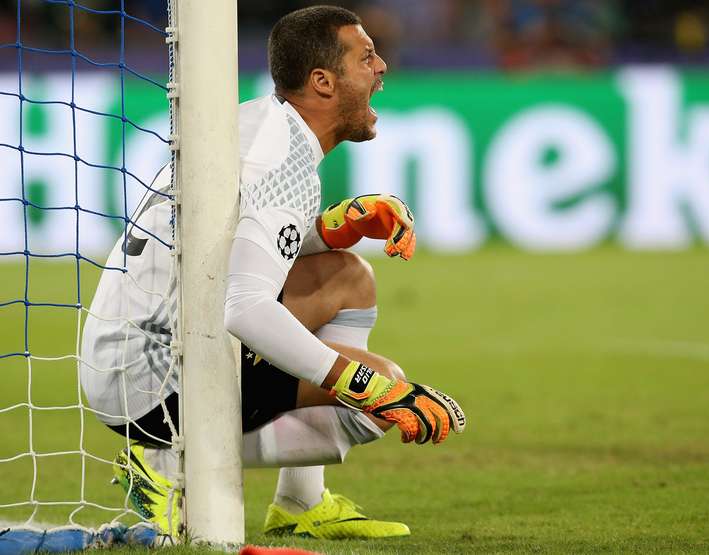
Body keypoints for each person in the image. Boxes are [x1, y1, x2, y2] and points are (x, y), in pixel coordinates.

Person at [79, 5, 465, 542]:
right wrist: (368, 387)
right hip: (152, 379)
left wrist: (330, 229)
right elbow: (246, 308)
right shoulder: (279, 162)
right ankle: (168, 462)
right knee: (385, 391)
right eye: (367, 57)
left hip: (126, 351)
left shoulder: (259, 124)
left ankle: (300, 503)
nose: (382, 68)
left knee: (348, 275)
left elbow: (224, 246)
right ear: (323, 82)